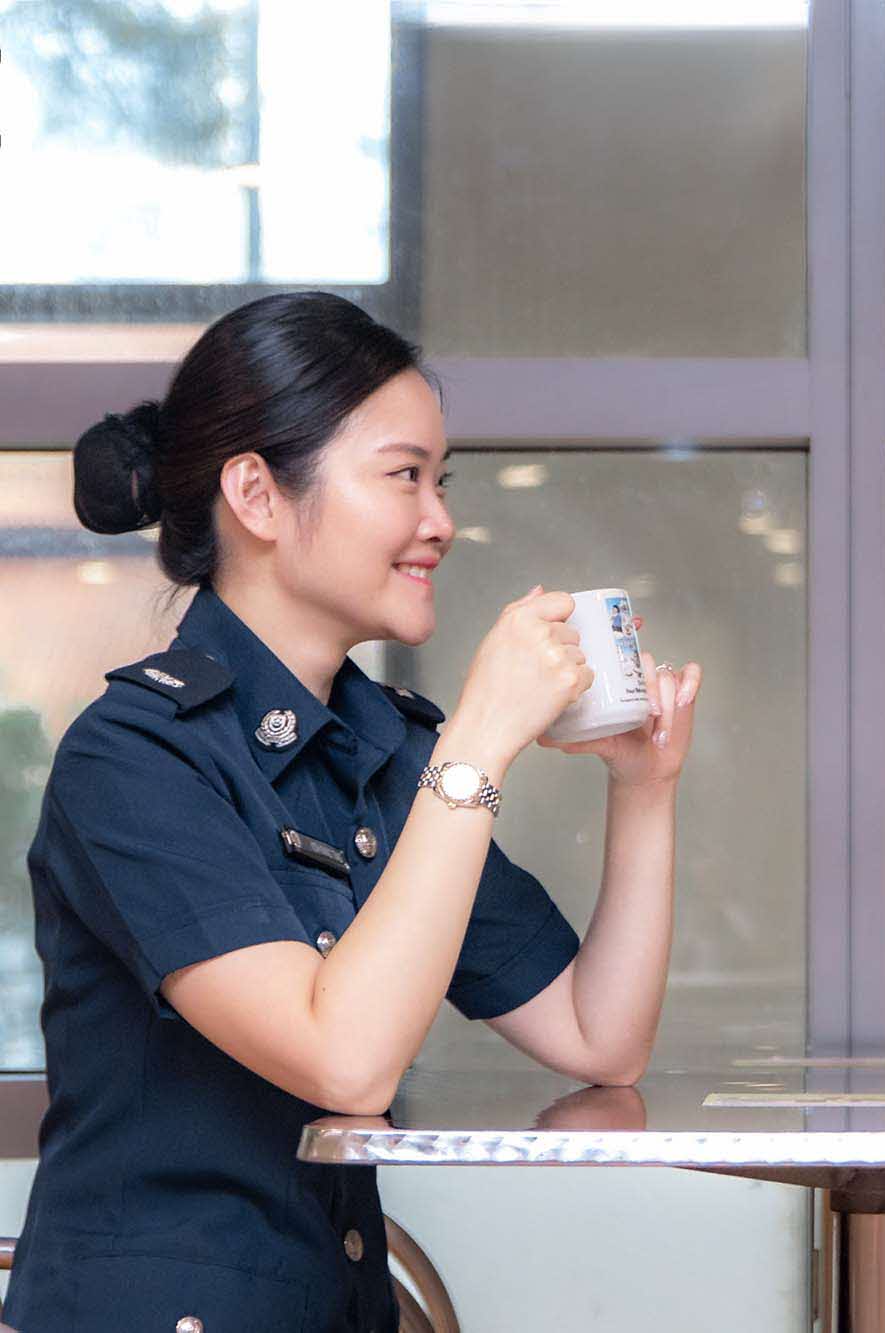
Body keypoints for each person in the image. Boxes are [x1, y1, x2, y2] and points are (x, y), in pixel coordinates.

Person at [5, 292, 702, 1332]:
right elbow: (344, 1060)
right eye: (403, 475)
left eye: (441, 479)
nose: (441, 521)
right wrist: (477, 739)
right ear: (257, 493)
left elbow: (598, 1037)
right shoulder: (135, 757)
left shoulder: (384, 747)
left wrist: (643, 789)